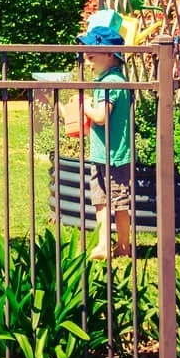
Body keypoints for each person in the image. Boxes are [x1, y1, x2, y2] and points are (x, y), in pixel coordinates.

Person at [61, 24, 133, 260]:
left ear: (110, 55)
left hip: (113, 156)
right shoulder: (112, 80)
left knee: (115, 203)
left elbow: (102, 117)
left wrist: (86, 106)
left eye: (91, 57)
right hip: (104, 154)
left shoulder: (111, 83)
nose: (88, 62)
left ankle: (122, 245)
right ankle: (109, 245)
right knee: (105, 202)